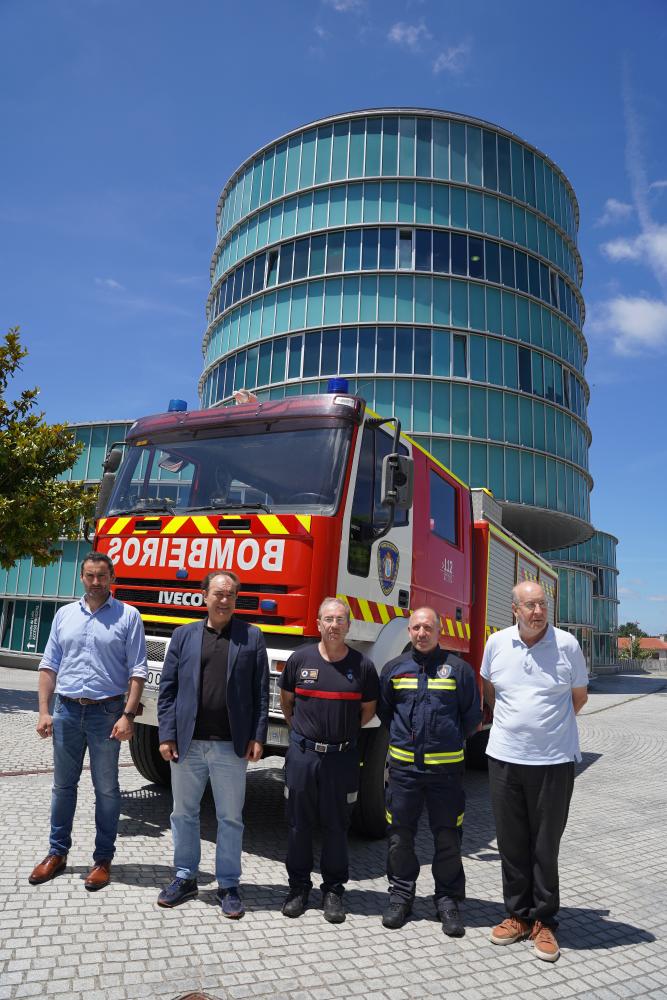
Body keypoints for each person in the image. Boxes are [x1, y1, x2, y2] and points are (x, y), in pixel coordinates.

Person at [481, 580, 589, 963]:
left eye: (542, 604)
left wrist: (547, 731)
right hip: (505, 758)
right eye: (529, 605)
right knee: (511, 842)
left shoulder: (567, 646)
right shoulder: (496, 644)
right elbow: (490, 690)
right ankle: (517, 915)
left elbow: (579, 697)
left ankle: (544, 920)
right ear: (514, 609)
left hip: (553, 762)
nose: (538, 611)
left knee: (545, 844)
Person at [29, 552, 147, 891]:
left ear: (111, 578)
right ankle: (57, 854)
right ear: (81, 577)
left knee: (107, 790)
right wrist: (43, 710)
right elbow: (49, 665)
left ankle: (102, 860)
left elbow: (138, 671)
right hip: (66, 711)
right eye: (90, 576)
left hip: (107, 714)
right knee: (63, 787)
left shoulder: (128, 616)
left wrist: (128, 715)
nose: (96, 582)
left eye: (102, 576)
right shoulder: (65, 615)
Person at [156, 570, 269, 918]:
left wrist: (257, 736)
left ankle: (228, 885)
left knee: (230, 818)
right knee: (183, 813)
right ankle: (185, 877)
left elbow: (260, 693)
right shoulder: (183, 636)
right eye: (218, 593)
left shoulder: (251, 637)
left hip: (230, 747)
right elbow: (168, 690)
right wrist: (166, 734)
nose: (224, 600)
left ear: (237, 599)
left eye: (230, 594)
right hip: (187, 745)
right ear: (204, 596)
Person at [377, 607, 482, 935]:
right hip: (404, 772)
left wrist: (444, 742)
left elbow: (472, 718)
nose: (422, 633)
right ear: (409, 631)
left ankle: (447, 901)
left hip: (446, 775)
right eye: (417, 628)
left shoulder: (459, 671)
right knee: (399, 838)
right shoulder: (394, 669)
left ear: (439, 631)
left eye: (428, 628)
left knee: (448, 838)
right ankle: (400, 896)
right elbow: (385, 713)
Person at [278, 597, 378, 923]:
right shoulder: (299, 659)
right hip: (304, 757)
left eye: (339, 620)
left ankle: (333, 891)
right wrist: (307, 737)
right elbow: (287, 703)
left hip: (341, 759)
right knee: (298, 825)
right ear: (318, 623)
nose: (333, 625)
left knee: (337, 827)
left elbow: (367, 711)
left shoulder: (362, 667)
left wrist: (339, 735)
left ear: (348, 625)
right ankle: (298, 888)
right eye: (328, 619)